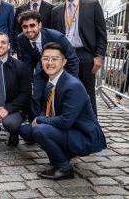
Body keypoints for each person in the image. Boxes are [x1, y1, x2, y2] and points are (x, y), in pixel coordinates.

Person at [19, 42, 107, 180]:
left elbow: (65, 121)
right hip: (69, 129)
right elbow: (45, 110)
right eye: (45, 58)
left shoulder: (73, 86)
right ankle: (64, 153)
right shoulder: (50, 82)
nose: (50, 63)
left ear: (64, 61)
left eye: (55, 59)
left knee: (39, 130)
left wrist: (40, 120)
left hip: (85, 136)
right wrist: (39, 119)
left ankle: (63, 167)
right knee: (26, 130)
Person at [51, 0, 107, 115]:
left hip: (85, 55)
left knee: (87, 92)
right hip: (63, 56)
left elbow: (102, 33)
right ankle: (68, 122)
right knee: (64, 90)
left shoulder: (92, 5)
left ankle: (92, 126)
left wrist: (99, 56)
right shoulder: (56, 11)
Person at [17, 10, 79, 120]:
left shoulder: (56, 37)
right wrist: (28, 83)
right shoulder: (22, 39)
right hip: (41, 70)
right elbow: (27, 63)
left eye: (32, 25)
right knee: (35, 95)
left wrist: (71, 83)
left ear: (40, 25)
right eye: (25, 27)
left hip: (61, 71)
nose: (29, 29)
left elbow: (73, 59)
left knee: (59, 98)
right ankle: (35, 124)